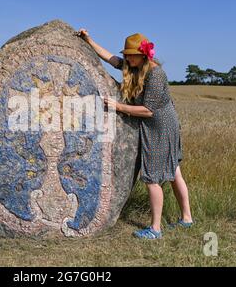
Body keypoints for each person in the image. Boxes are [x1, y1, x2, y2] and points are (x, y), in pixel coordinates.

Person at [76, 28, 193, 239]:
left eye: (131, 54)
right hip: (156, 125)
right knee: (174, 171)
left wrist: (117, 106)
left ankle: (155, 229)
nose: (127, 57)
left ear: (143, 55)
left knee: (151, 177)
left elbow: (148, 111)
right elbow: (111, 58)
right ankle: (187, 218)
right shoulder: (134, 68)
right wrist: (88, 40)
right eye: (126, 54)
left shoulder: (156, 74)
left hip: (161, 127)